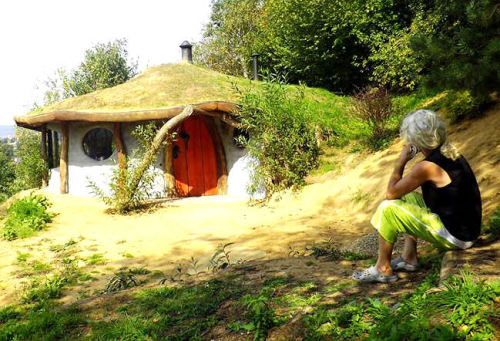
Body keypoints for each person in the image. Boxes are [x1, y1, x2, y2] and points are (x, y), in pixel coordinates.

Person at [353, 109, 482, 283]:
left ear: (416, 140)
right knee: (407, 198)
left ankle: (383, 268)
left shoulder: (426, 167)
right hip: (467, 229)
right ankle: (409, 257)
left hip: (457, 236)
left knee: (388, 208)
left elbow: (391, 193)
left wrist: (401, 161)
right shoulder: (449, 151)